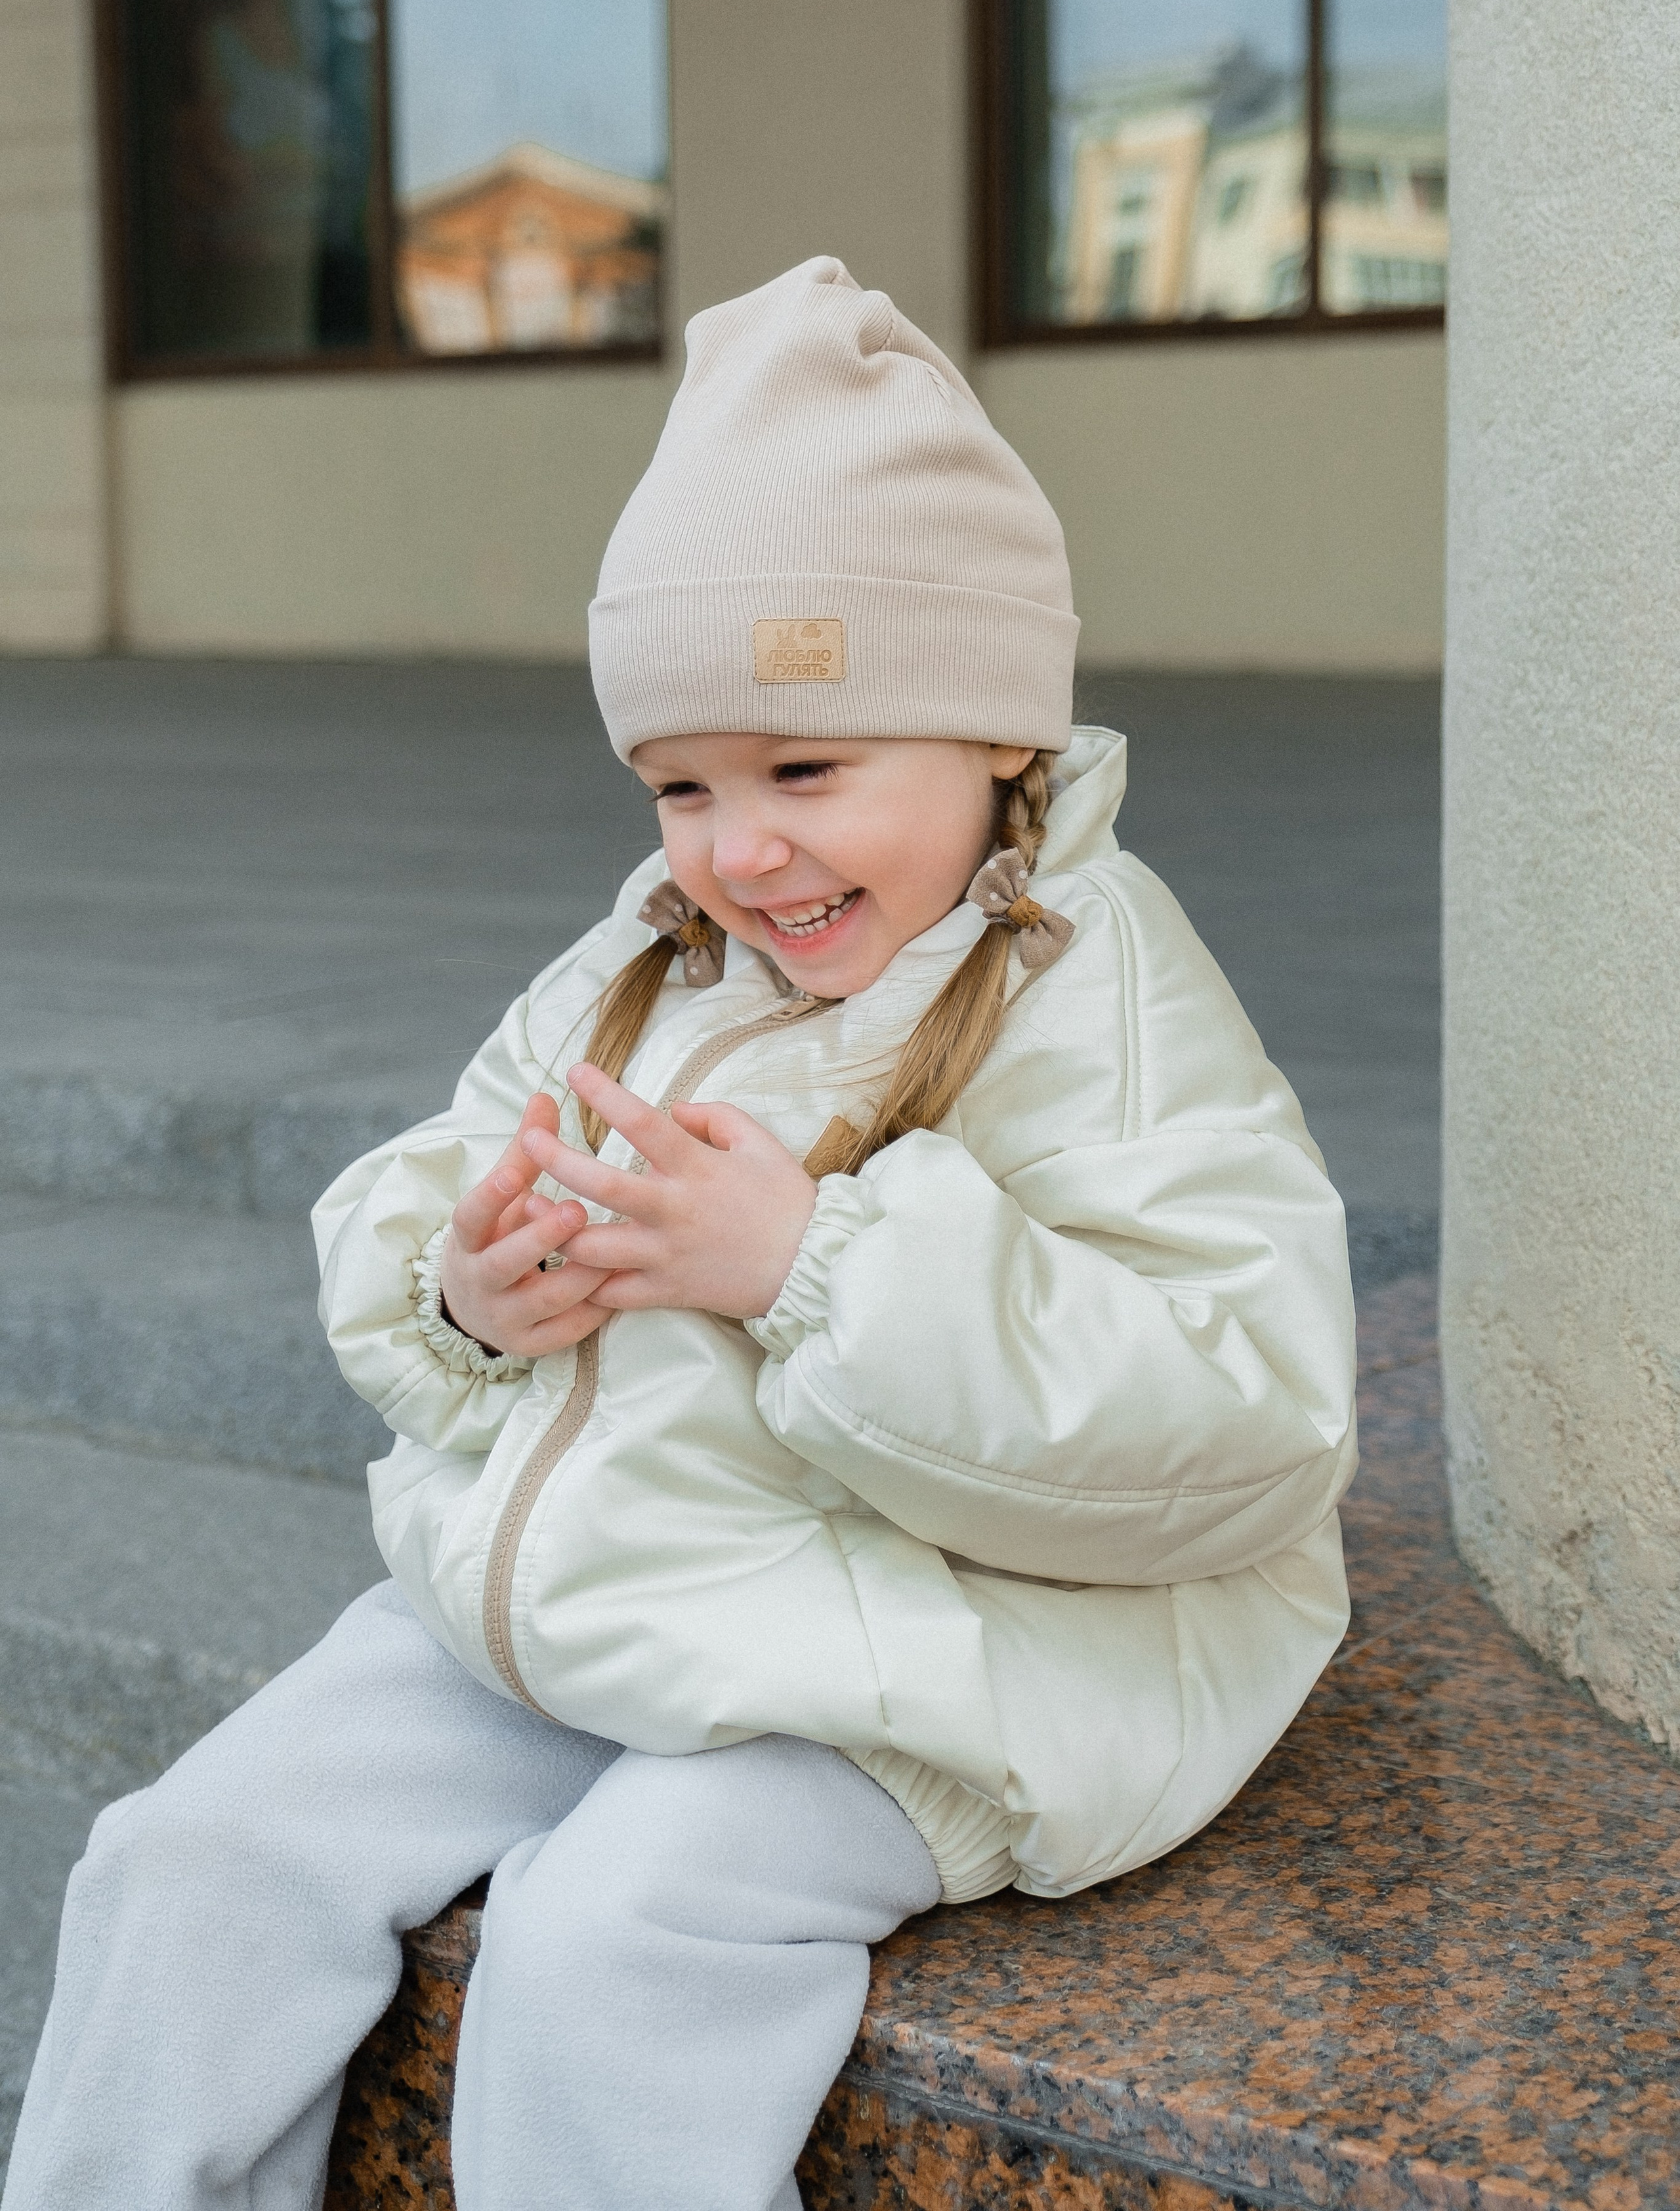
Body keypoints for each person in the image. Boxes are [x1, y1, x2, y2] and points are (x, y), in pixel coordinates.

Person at [5, 257, 1357, 2211]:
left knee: (609, 1946)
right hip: (624, 1588)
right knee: (189, 1861)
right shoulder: (657, 953)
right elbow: (452, 1164)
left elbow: (1248, 1417)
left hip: (936, 1657)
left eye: (807, 770)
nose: (742, 849)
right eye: (681, 786)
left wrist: (808, 1269)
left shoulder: (1099, 998)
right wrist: (467, 1295)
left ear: (996, 734)